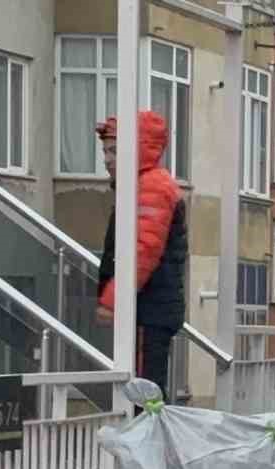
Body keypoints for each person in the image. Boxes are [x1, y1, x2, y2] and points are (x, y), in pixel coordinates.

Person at [93, 111, 187, 398]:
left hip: (148, 310)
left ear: (135, 149)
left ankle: (148, 429)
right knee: (143, 393)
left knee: (144, 397)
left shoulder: (152, 187)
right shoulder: (144, 184)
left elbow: (143, 250)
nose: (107, 159)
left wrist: (112, 300)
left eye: (114, 151)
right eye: (105, 151)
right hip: (148, 308)